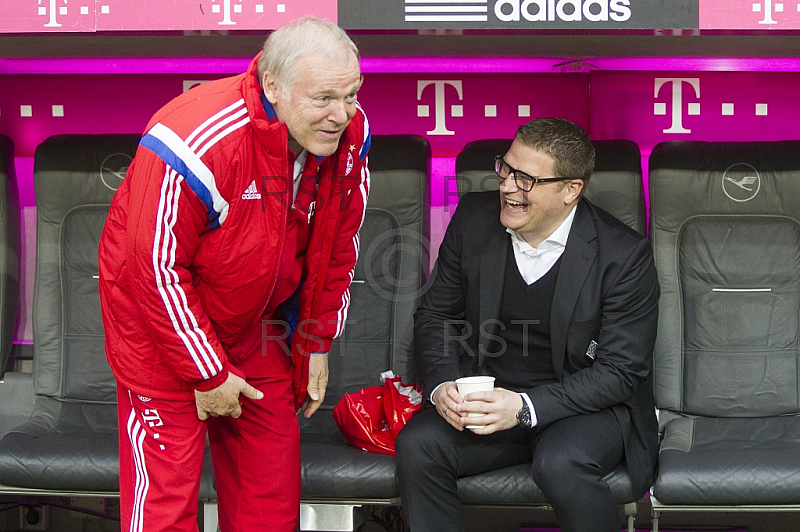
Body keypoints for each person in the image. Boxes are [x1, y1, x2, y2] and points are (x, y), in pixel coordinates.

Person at [98, 16, 370, 532]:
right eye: (324, 98)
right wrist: (208, 372)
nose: (342, 114)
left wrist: (315, 342)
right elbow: (153, 267)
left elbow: (336, 246)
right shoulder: (192, 138)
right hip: (161, 330)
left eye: (352, 94)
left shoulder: (351, 135)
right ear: (273, 85)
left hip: (257, 326)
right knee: (165, 506)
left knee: (269, 498)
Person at [396, 118, 659, 532]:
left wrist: (524, 408)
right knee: (419, 446)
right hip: (489, 401)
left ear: (571, 189)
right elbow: (437, 316)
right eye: (506, 168)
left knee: (560, 463)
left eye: (526, 179)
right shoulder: (474, 218)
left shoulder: (624, 256)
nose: (507, 187)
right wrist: (442, 384)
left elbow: (620, 372)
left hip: (582, 408)